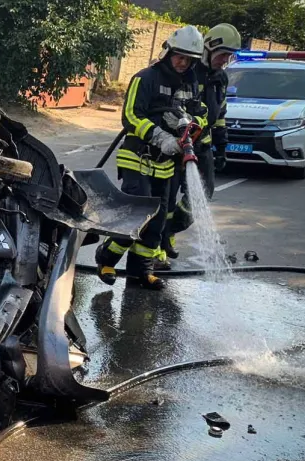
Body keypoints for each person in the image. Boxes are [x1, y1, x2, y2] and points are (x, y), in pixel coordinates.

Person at [95, 26, 206, 290]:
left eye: (188, 59)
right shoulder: (145, 78)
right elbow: (131, 116)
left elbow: (202, 113)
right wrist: (160, 137)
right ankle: (106, 258)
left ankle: (141, 273)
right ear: (168, 52)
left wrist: (190, 124)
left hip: (166, 165)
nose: (182, 63)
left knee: (157, 221)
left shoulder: (191, 84)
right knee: (137, 215)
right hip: (137, 158)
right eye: (179, 56)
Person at [161, 23, 242, 263]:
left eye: (229, 56)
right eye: (223, 55)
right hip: (178, 145)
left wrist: (222, 147)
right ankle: (160, 243)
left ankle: (170, 230)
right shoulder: (189, 71)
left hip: (202, 147)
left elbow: (220, 114)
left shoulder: (221, 78)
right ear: (209, 48)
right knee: (167, 198)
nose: (225, 60)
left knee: (202, 195)